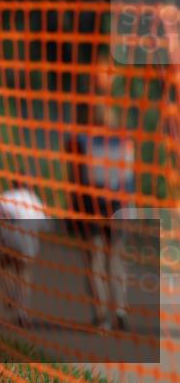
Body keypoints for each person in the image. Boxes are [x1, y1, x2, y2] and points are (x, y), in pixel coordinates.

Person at [65, 52, 135, 331]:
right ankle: (119, 308)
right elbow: (129, 174)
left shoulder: (80, 137)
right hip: (117, 204)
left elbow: (74, 176)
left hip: (90, 206)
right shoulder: (123, 137)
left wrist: (71, 208)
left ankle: (102, 316)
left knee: (93, 259)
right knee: (115, 257)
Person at [0, 181, 47, 327]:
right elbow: (44, 226)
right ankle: (22, 312)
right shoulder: (35, 200)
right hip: (27, 242)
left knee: (4, 265)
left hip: (9, 238)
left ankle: (10, 296)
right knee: (24, 273)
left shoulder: (4, 197)